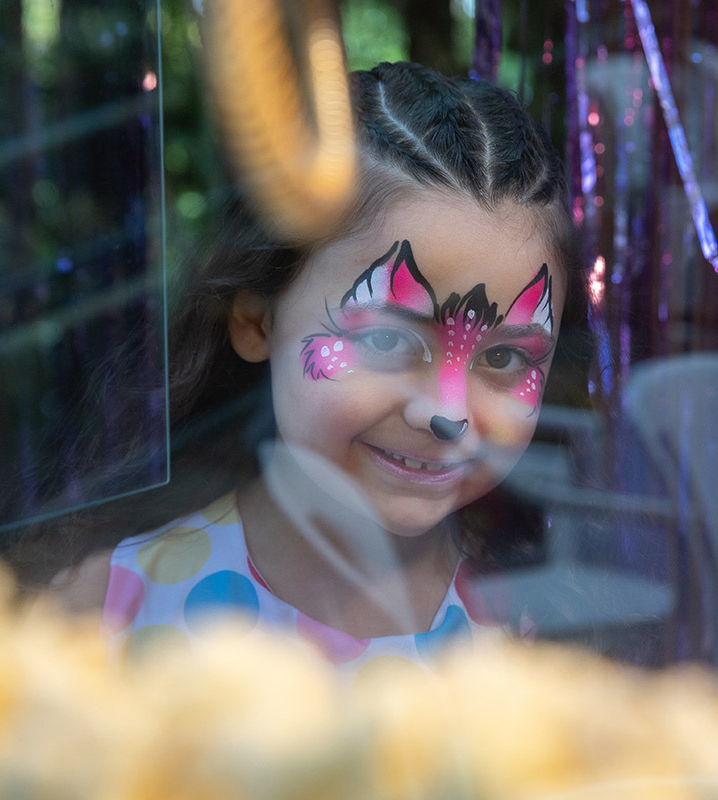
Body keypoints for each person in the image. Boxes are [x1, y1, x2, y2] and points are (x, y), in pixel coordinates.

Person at [49, 62, 581, 669]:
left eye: (506, 357)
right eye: (386, 342)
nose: (447, 411)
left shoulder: (543, 633)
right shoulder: (109, 612)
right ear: (257, 320)